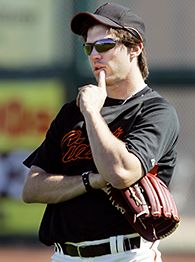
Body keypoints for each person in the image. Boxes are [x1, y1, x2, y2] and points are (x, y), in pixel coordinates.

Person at [22, 2, 179, 262]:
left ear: (135, 48)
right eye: (89, 47)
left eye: (105, 45)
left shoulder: (155, 112)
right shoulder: (72, 112)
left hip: (125, 254)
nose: (95, 54)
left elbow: (119, 173)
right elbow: (31, 188)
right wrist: (90, 180)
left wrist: (93, 113)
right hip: (65, 256)